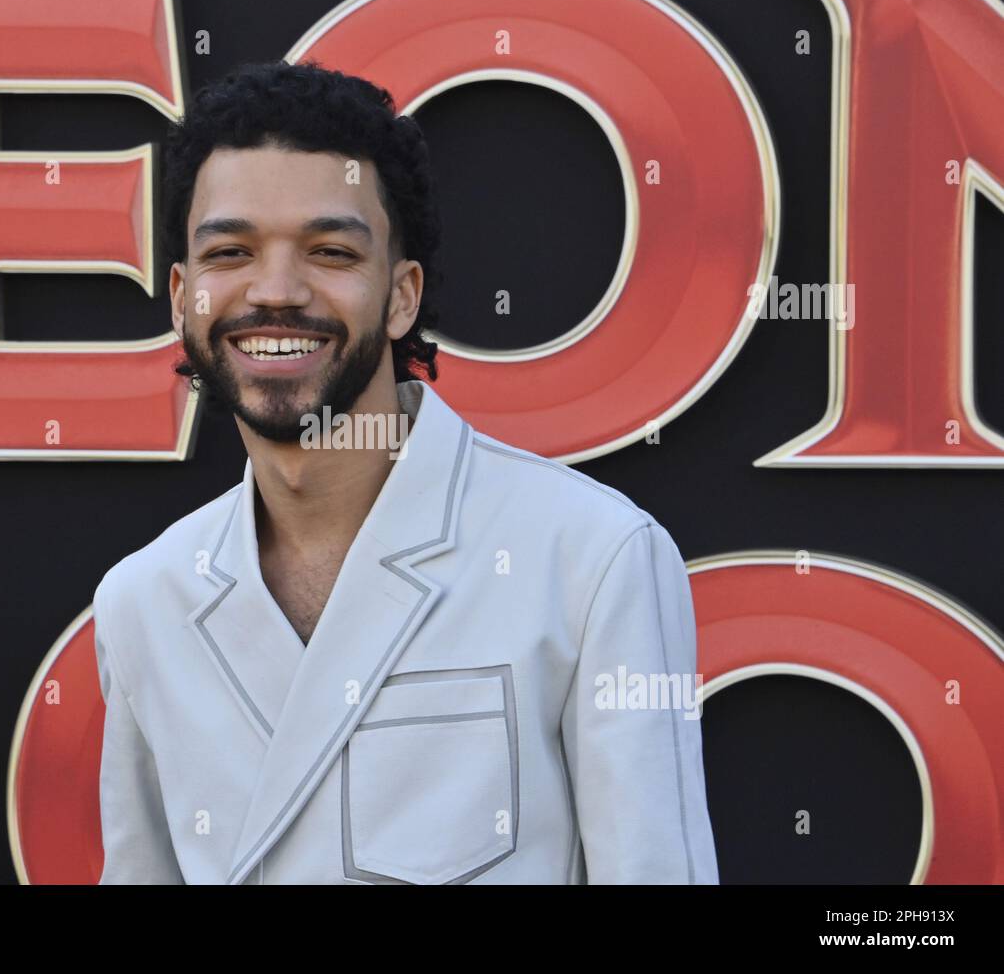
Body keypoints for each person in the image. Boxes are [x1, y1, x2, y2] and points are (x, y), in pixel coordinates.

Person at [93, 60, 719, 884]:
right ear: (183, 297)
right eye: (231, 251)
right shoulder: (144, 599)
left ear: (400, 295)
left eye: (329, 250)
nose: (275, 291)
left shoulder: (594, 560)